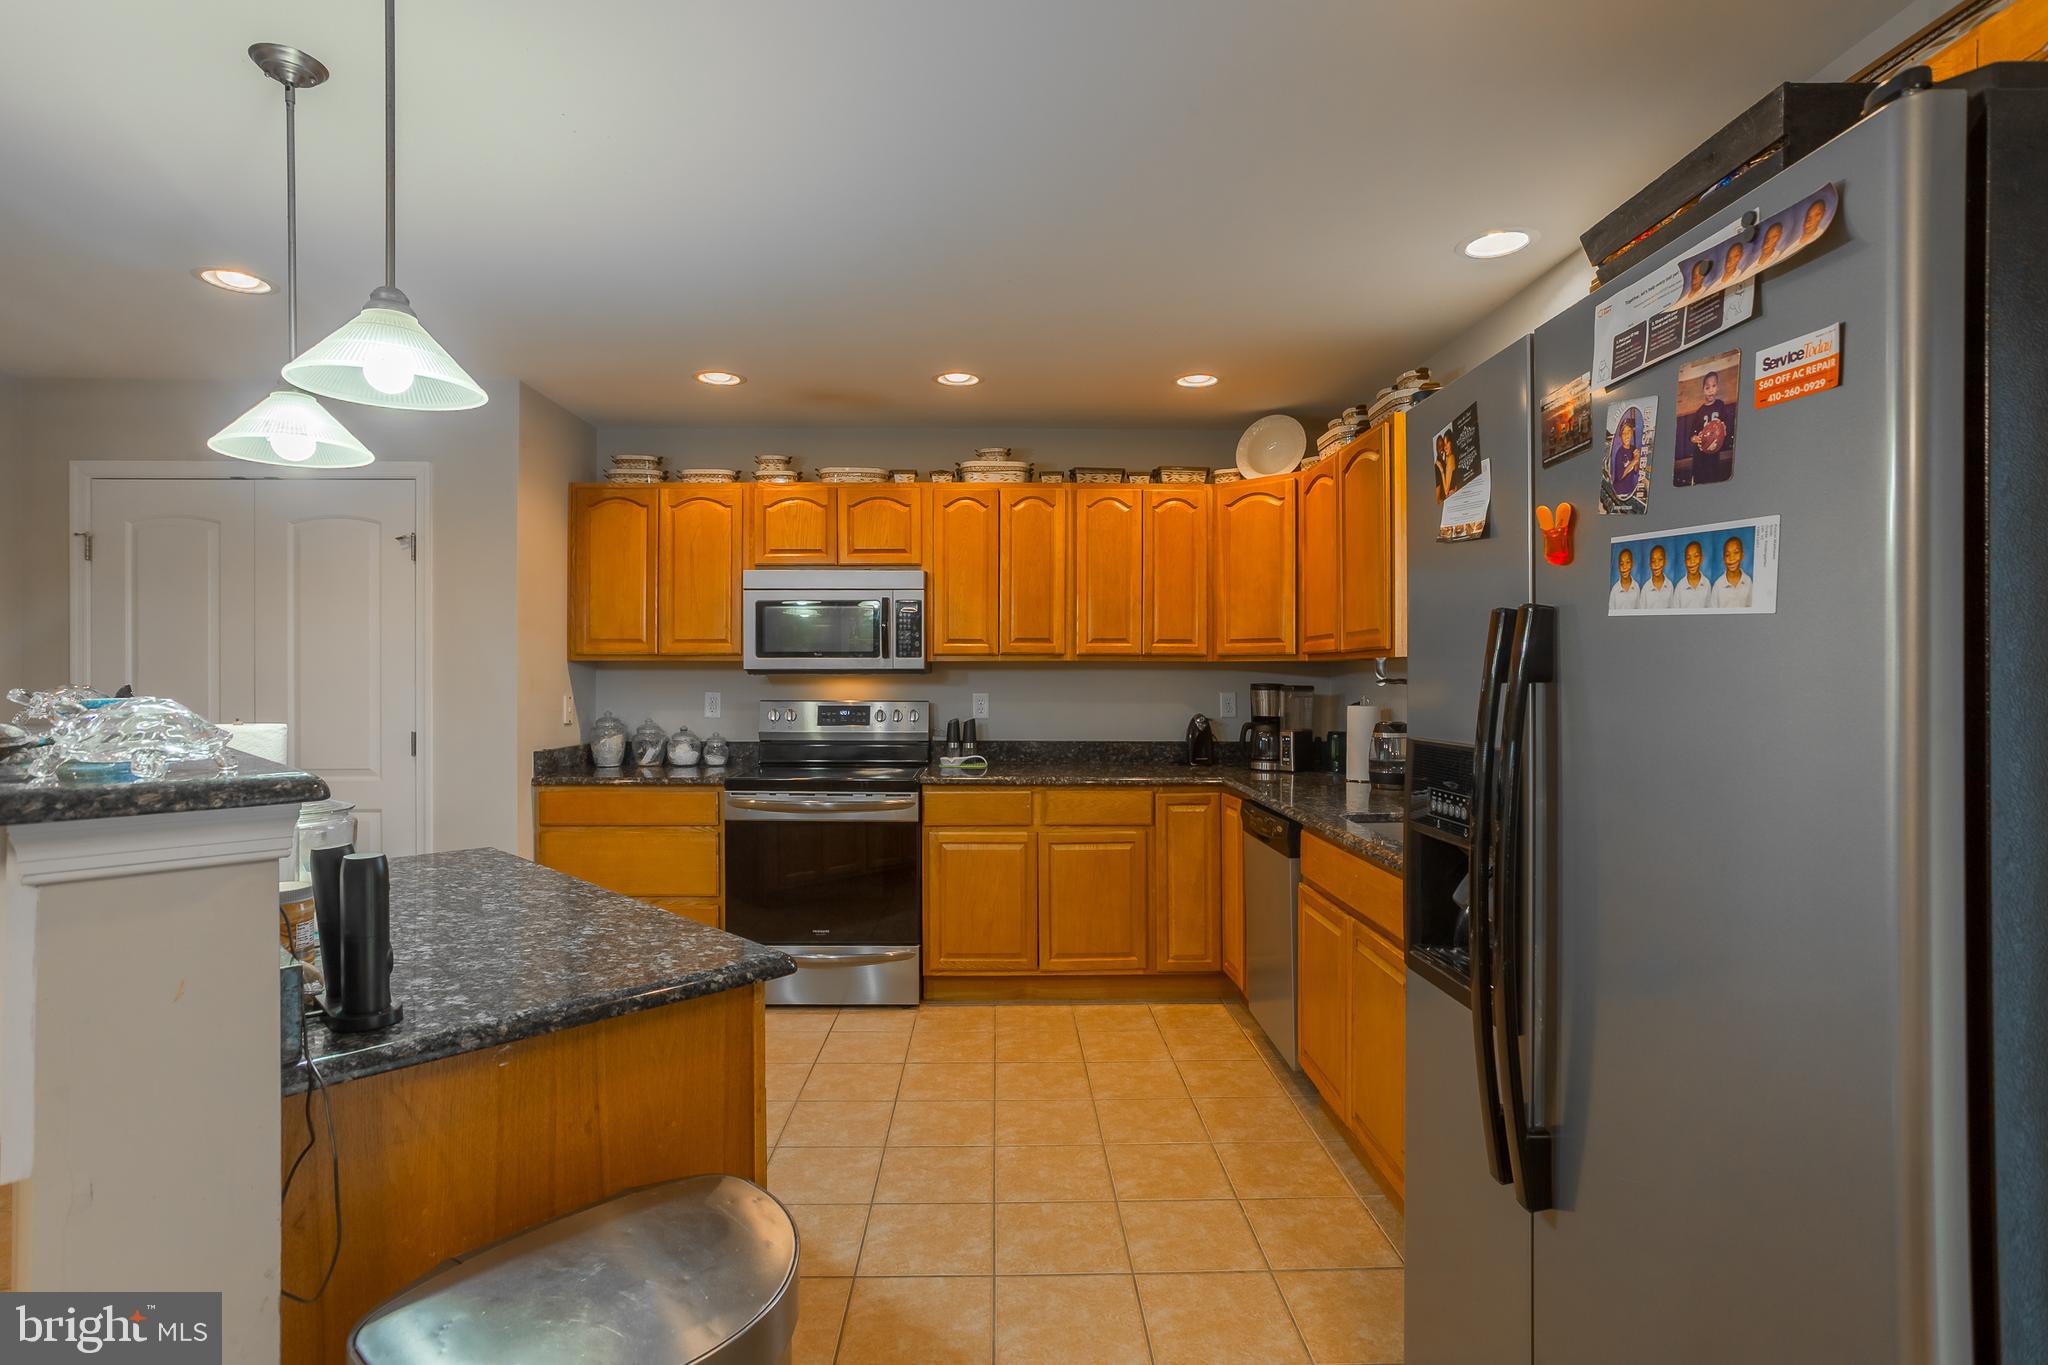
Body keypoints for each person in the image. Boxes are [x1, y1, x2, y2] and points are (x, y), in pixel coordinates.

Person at [1681, 368, 1737, 483]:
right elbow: (1691, 433)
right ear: (1703, 390)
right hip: (1700, 452)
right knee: (1699, 477)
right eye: (1707, 388)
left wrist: (1725, 429)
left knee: (1713, 476)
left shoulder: (1720, 405)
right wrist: (1694, 438)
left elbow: (1727, 424)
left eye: (1714, 386)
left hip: (1714, 450)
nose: (1711, 390)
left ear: (1717, 387)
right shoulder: (1699, 411)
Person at [1606, 409, 1644, 506]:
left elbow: (1636, 470)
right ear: (1620, 436)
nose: (1627, 435)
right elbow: (1620, 475)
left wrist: (1637, 459)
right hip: (1619, 493)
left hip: (1630, 491)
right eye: (1624, 433)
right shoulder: (1619, 452)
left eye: (1629, 431)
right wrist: (1634, 461)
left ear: (1632, 433)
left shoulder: (1633, 449)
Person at [1710, 535, 1753, 608]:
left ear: (1742, 555)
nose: (1731, 558)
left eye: (1736, 553)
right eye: (1727, 555)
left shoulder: (1748, 582)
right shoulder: (1718, 585)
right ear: (1723, 559)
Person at [1674, 539, 1714, 608]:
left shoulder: (1707, 584)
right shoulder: (1679, 587)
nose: (1692, 561)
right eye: (1688, 558)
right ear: (1685, 562)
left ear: (1701, 559)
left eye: (1696, 556)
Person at [1639, 543, 1677, 609]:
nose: (1656, 564)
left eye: (1660, 559)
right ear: (1650, 564)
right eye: (1653, 561)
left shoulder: (1670, 586)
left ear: (1665, 561)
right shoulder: (1645, 589)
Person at [1434, 431, 1456, 501]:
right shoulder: (1447, 458)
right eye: (1444, 445)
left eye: (1447, 444)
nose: (1445, 448)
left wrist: (1442, 471)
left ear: (1451, 443)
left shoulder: (1450, 460)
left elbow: (1446, 492)